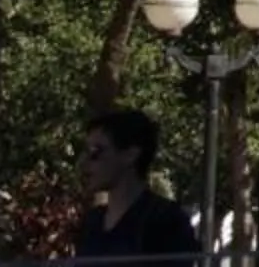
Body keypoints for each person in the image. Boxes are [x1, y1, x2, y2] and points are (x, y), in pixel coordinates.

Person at [75, 110, 200, 260]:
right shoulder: (92, 223)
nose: (83, 163)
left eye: (96, 152)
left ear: (130, 155)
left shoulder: (166, 221)